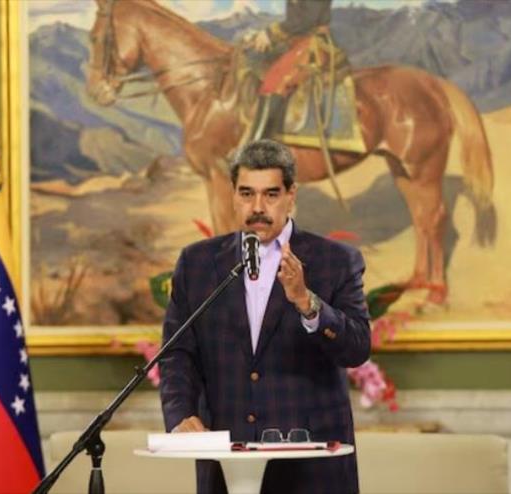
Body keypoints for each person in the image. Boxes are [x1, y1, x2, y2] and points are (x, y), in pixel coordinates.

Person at [159, 139, 371, 494]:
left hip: (312, 468)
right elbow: (177, 352)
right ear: (233, 194)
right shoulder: (197, 264)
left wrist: (307, 303)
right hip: (227, 464)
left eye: (271, 194)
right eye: (246, 194)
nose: (257, 207)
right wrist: (180, 415)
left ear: (292, 195)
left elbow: (357, 348)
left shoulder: (335, 261)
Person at [244, 0, 334, 142]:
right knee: (253, 62)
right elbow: (294, 22)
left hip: (314, 45)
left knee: (273, 82)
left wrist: (270, 33)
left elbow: (307, 20)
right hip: (296, 43)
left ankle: (257, 147)